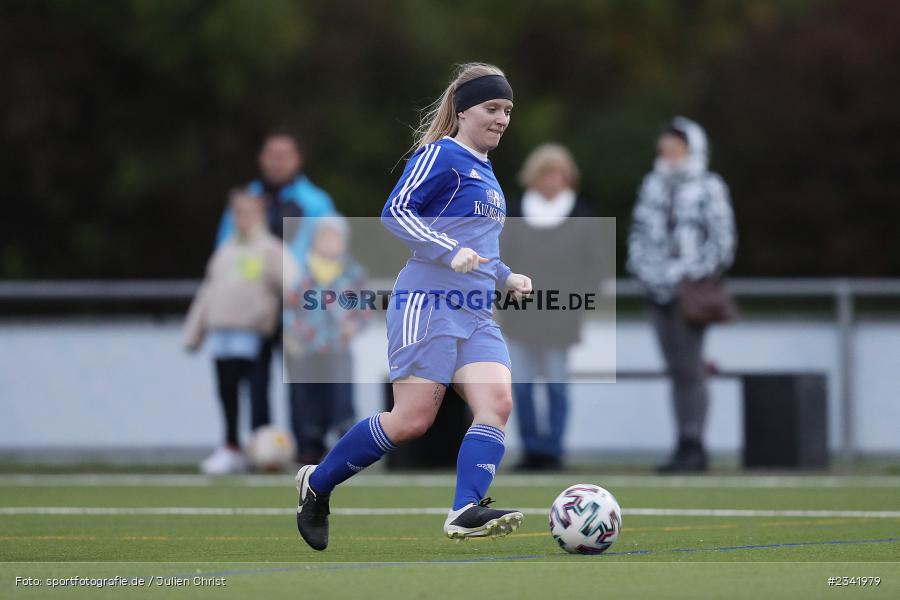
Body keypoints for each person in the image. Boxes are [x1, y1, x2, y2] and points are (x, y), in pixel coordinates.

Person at [294, 63, 533, 551]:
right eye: (492, 108)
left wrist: (506, 275)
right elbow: (396, 211)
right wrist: (449, 252)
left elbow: (477, 246)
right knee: (412, 420)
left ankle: (465, 509)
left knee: (498, 403)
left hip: (476, 311)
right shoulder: (440, 154)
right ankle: (317, 485)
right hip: (429, 303)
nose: (502, 119)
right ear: (464, 110)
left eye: (507, 110)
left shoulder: (487, 173)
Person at [626, 116, 736, 473]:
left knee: (691, 368)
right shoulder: (653, 185)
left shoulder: (709, 186)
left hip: (690, 291)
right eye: (666, 146)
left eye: (677, 146)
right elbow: (639, 233)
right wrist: (647, 272)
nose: (670, 152)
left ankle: (694, 442)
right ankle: (682, 442)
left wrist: (688, 273)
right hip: (655, 290)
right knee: (675, 368)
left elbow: (722, 241)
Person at [215, 133, 335, 434]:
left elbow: (333, 252)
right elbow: (227, 251)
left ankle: (307, 447)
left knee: (302, 381)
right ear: (261, 159)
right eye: (272, 154)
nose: (278, 162)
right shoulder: (245, 202)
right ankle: (260, 446)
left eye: (285, 155)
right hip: (255, 308)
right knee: (253, 380)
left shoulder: (316, 202)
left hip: (300, 308)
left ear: (298, 159)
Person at [502, 143, 603, 471]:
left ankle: (554, 449)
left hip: (562, 316)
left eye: (557, 174)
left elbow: (595, 267)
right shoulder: (515, 212)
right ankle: (532, 449)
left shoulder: (581, 214)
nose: (551, 181)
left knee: (558, 385)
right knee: (524, 386)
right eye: (545, 174)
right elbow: (500, 262)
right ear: (533, 178)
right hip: (519, 316)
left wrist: (579, 300)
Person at [184, 191, 299, 474]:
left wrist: (294, 327)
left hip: (254, 334)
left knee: (258, 392)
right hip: (222, 334)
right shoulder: (225, 250)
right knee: (226, 392)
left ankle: (261, 446)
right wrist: (193, 333)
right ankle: (231, 446)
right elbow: (207, 293)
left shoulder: (271, 249)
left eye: (249, 213)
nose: (243, 219)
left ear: (261, 215)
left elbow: (294, 285)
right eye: (238, 213)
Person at [284, 214, 370, 465]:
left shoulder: (353, 274)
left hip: (338, 348)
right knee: (309, 399)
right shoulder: (303, 275)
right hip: (308, 350)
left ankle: (349, 449)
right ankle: (310, 448)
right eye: (324, 236)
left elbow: (364, 309)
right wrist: (296, 333)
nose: (330, 242)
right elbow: (289, 310)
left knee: (341, 398)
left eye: (335, 237)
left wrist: (354, 325)